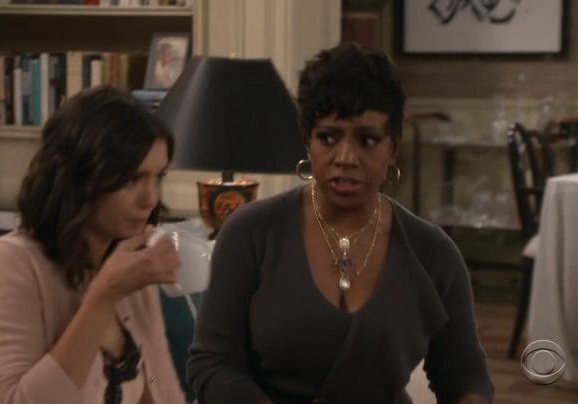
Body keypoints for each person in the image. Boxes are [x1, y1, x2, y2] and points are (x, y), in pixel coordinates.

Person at [186, 43, 494, 403]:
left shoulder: (433, 254)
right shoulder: (252, 233)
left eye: (368, 140)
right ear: (308, 142)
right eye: (328, 138)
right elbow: (212, 364)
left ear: (393, 147)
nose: (346, 157)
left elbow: (466, 376)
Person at [0, 86, 187, 404]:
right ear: (79, 178)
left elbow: (163, 392)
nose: (150, 199)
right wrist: (103, 298)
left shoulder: (131, 263)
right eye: (132, 180)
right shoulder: (7, 264)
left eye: (158, 177)